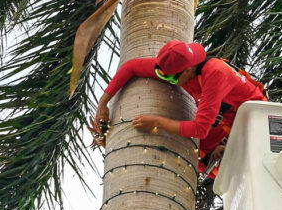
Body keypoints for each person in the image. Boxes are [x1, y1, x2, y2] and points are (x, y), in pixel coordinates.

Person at [94, 40, 266, 178]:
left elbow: (200, 129)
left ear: (188, 69)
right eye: (162, 75)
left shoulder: (215, 73)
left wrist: (155, 122)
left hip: (255, 123)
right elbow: (131, 67)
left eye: (172, 78)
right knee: (196, 155)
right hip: (226, 126)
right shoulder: (174, 66)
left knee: (238, 172)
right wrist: (103, 103)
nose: (167, 81)